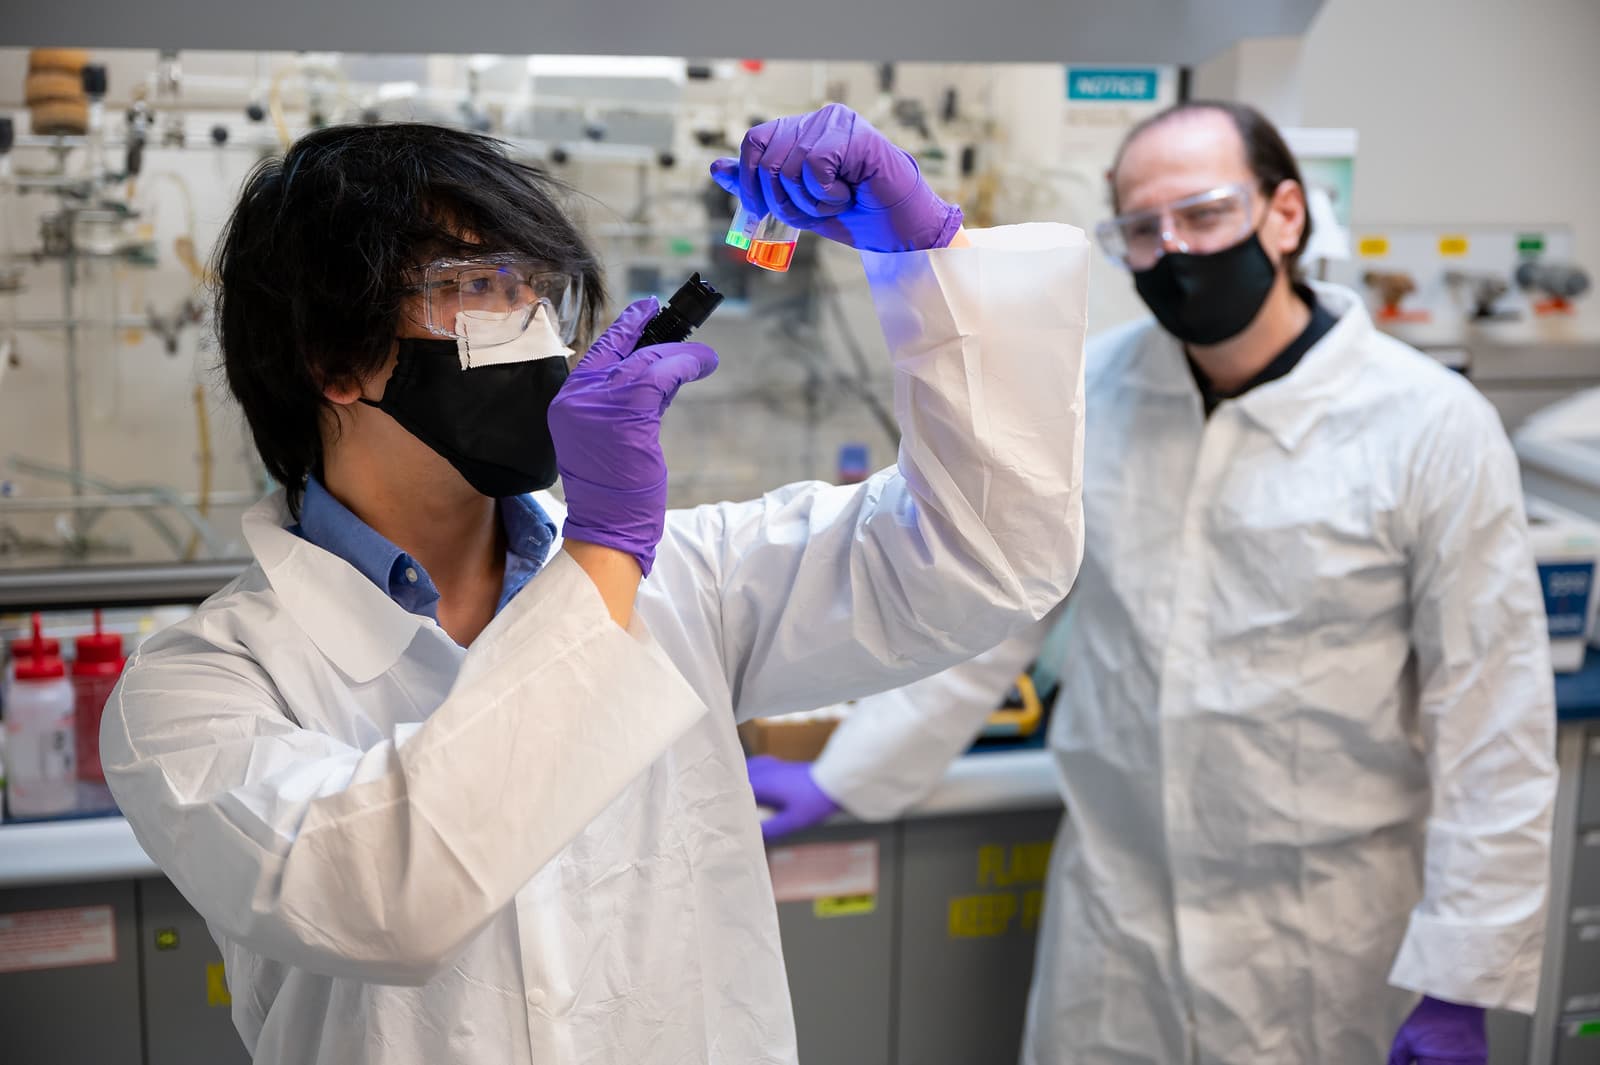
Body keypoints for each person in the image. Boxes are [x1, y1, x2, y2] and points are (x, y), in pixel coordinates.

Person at [99, 108, 1092, 1064]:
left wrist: (920, 259)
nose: (535, 327)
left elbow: (987, 557)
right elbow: (383, 896)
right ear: (336, 360)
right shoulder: (191, 697)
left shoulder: (685, 577)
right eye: (480, 286)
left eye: (544, 291)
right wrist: (607, 548)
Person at [749, 100, 1558, 1065]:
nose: (1173, 249)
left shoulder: (1430, 425)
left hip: (1330, 942)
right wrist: (846, 775)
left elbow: (1494, 722)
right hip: (1117, 932)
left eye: (1204, 215)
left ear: (1286, 214)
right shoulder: (1092, 393)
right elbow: (990, 617)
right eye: (1141, 228)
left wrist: (1461, 979)